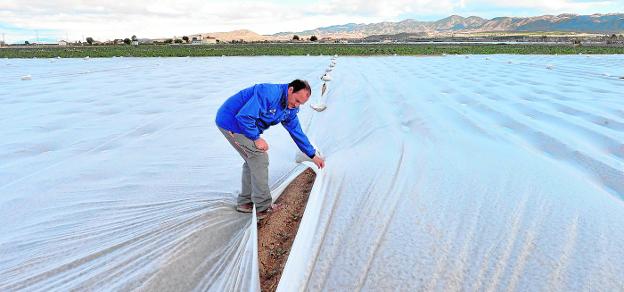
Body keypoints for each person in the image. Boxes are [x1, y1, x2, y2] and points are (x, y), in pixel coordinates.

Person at [216, 79, 325, 219]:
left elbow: (296, 131)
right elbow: (244, 117)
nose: (296, 106)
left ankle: (245, 203)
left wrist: (312, 155)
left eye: (300, 104)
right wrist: (256, 138)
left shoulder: (290, 108)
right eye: (296, 101)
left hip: (246, 125)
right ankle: (263, 208)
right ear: (290, 89)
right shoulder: (269, 93)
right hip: (231, 123)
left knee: (253, 160)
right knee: (259, 158)